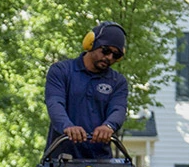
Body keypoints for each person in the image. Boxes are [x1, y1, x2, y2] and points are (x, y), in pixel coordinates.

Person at [44, 21, 128, 158]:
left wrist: (109, 126)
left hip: (100, 162)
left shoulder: (118, 82)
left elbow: (118, 108)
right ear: (91, 43)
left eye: (116, 55)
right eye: (105, 51)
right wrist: (67, 126)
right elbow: (55, 103)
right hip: (60, 160)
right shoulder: (61, 71)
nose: (109, 57)